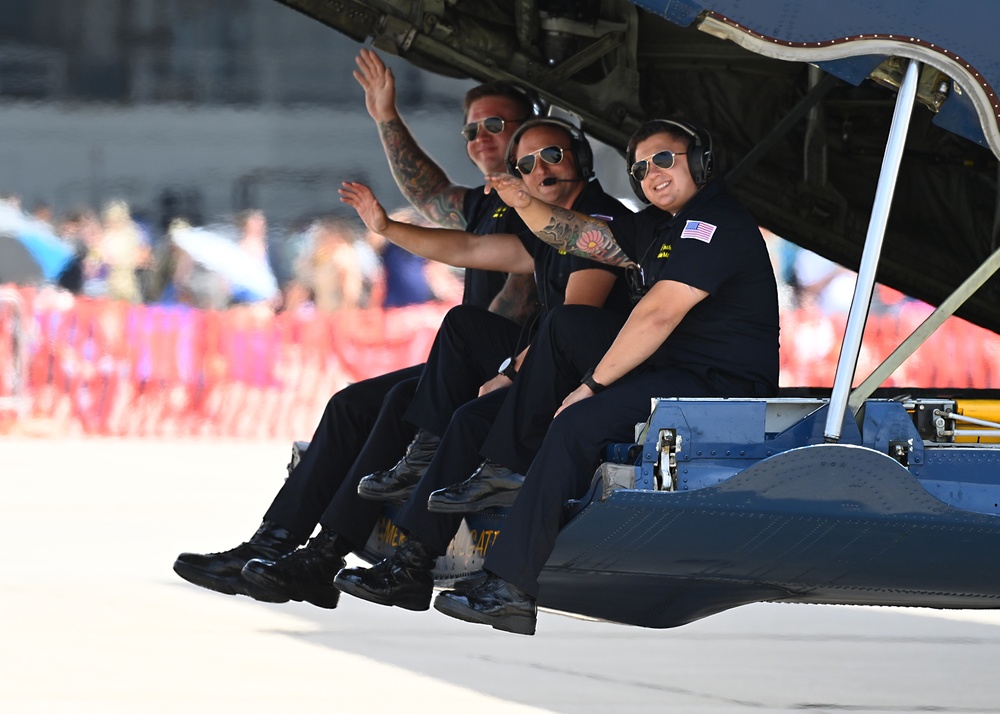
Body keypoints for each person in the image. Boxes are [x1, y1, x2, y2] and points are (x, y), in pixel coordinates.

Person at [172, 52, 541, 602]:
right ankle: (272, 544)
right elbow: (428, 192)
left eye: (496, 125)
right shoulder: (487, 202)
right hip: (466, 361)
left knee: (395, 411)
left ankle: (322, 556)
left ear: (526, 135)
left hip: (506, 366)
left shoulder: (542, 204)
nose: (481, 138)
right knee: (349, 406)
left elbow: (519, 296)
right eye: (471, 129)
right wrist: (385, 116)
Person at [238, 117, 634, 609]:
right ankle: (339, 547)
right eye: (527, 164)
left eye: (551, 155)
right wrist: (385, 227)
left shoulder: (597, 225)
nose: (540, 170)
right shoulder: (546, 230)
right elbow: (468, 248)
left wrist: (510, 374)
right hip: (551, 364)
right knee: (447, 355)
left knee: (464, 414)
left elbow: (573, 325)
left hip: (583, 376)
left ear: (581, 160)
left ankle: (406, 559)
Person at [427, 119, 781, 635]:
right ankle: (508, 466)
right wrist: (523, 202)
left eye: (665, 159)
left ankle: (510, 588)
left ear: (700, 162)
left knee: (576, 424)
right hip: (676, 370)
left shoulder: (714, 223)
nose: (651, 174)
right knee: (565, 322)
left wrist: (591, 386)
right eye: (640, 168)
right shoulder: (660, 224)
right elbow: (583, 238)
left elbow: (656, 315)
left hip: (717, 386)